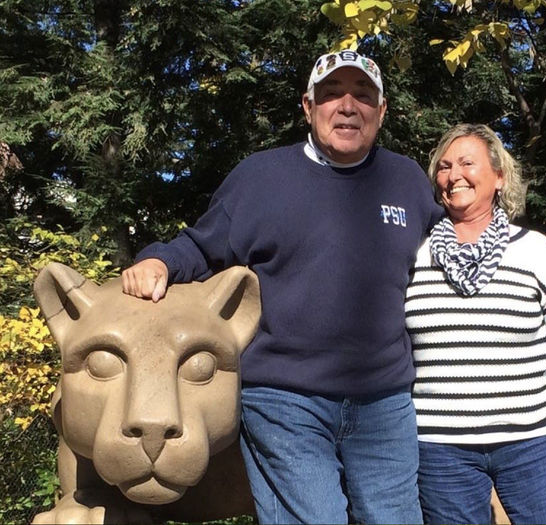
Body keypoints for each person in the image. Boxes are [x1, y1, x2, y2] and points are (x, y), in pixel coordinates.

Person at [121, 50, 443, 524]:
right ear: (308, 108)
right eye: (331, 94)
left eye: (362, 96)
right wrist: (158, 260)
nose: (347, 106)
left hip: (384, 400)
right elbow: (203, 245)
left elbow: (451, 246)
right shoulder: (259, 178)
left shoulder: (407, 180)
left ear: (382, 110)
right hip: (284, 399)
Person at [405, 123, 546, 524]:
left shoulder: (535, 251)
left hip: (531, 444)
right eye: (443, 167)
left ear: (499, 177)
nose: (453, 174)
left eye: (466, 163)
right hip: (439, 451)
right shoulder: (415, 255)